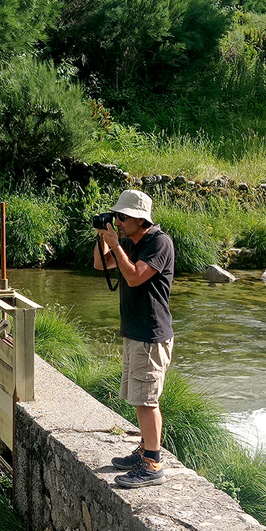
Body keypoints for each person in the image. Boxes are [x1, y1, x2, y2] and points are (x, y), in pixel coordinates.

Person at [93, 189, 174, 488]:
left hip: (151, 335)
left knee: (147, 401)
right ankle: (143, 451)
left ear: (141, 220)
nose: (119, 221)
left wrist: (116, 244)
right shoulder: (130, 241)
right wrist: (105, 240)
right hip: (135, 333)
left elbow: (134, 277)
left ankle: (153, 464)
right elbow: (101, 266)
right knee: (139, 396)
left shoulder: (159, 243)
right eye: (117, 217)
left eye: (123, 217)